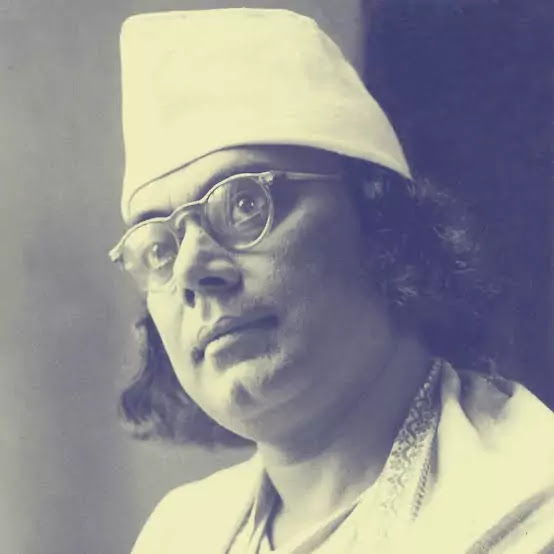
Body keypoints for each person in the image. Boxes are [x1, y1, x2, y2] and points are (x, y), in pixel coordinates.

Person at [109, 9, 554, 553]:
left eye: (246, 204)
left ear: (378, 220)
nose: (192, 270)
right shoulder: (180, 533)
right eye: (159, 247)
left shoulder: (529, 504)